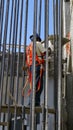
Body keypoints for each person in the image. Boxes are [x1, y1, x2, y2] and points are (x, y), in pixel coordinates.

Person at [22, 33, 46, 106]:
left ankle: (32, 102)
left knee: (33, 84)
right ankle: (34, 102)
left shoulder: (29, 47)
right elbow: (45, 52)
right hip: (37, 66)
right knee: (39, 85)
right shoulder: (38, 43)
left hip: (31, 67)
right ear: (38, 39)